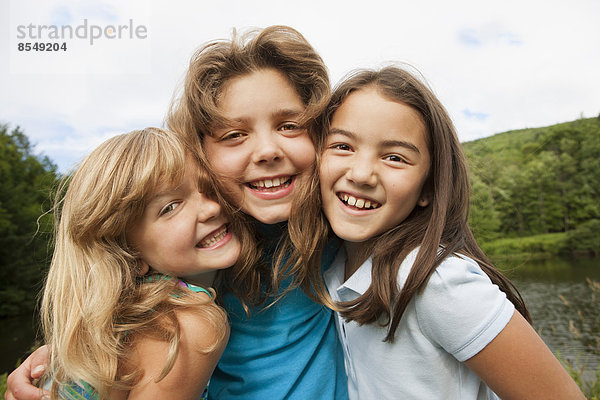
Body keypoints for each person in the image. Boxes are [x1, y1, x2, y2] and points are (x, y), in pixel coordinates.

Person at [6, 26, 347, 400]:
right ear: (202, 150)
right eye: (233, 134)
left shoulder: (339, 220)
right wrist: (62, 361)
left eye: (290, 125)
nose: (267, 150)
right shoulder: (190, 275)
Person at [315, 66, 585, 399]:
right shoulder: (332, 265)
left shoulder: (437, 281)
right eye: (343, 146)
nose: (361, 173)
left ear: (428, 187)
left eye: (395, 157)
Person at [34, 127, 243, 399]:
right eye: (170, 207)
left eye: (207, 188)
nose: (211, 208)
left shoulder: (113, 320)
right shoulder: (187, 326)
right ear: (129, 255)